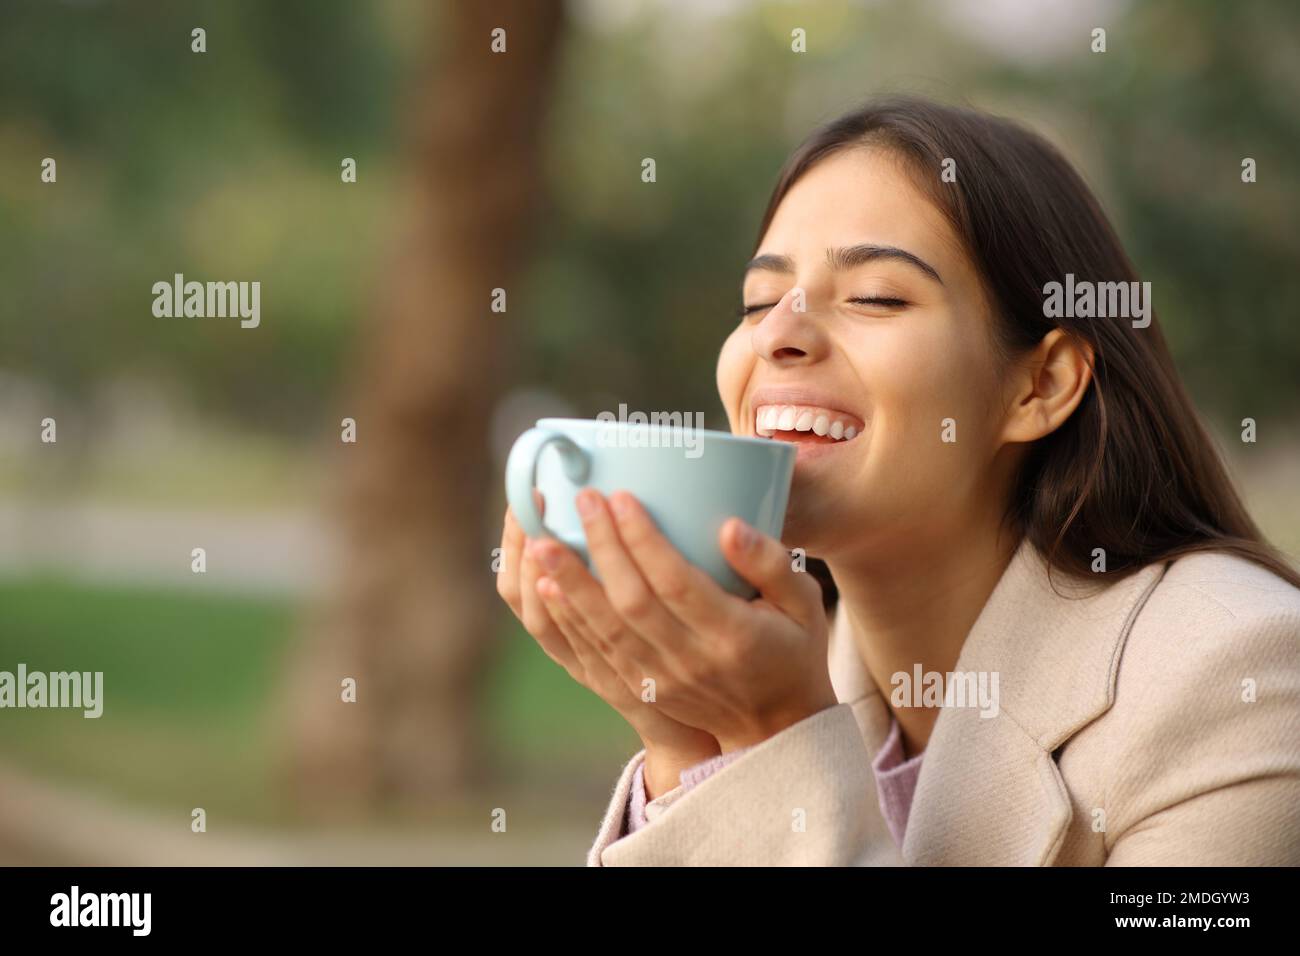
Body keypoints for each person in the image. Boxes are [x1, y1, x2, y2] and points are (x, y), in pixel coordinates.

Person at [496, 95, 1300, 866]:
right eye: (759, 299)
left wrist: (775, 738)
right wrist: (687, 748)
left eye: (875, 297)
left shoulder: (1236, 672)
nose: (779, 334)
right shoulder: (805, 663)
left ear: (1042, 384)